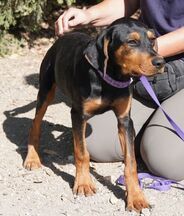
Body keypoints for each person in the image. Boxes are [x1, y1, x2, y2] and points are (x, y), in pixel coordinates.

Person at [55, 0, 184, 181]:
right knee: (95, 144)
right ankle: (151, 132)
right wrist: (88, 15)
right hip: (144, 67)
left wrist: (141, 47)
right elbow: (127, 2)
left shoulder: (141, 47)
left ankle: (157, 135)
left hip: (165, 62)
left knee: (165, 161)